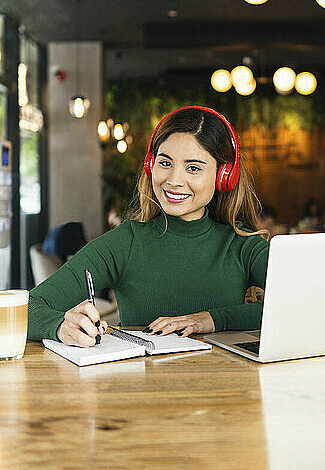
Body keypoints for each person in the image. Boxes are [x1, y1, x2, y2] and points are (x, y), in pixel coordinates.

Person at [28, 106, 269, 347]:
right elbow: (28, 308)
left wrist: (212, 319)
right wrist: (60, 326)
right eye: (165, 163)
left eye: (193, 168)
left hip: (227, 382)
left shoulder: (243, 243)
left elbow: (300, 305)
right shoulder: (125, 242)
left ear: (224, 176)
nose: (173, 180)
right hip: (142, 382)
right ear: (150, 166)